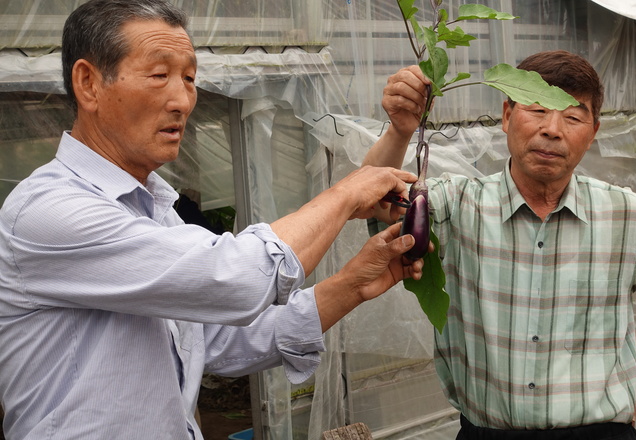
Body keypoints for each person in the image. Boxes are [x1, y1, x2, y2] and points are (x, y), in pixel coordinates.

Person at [0, 1, 427, 439]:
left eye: (189, 78)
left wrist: (354, 284)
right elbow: (238, 278)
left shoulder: (157, 212)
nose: (183, 100)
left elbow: (219, 341)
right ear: (89, 83)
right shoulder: (49, 211)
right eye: (159, 75)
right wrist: (345, 194)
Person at [364, 51, 636, 439]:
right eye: (538, 110)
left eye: (572, 117)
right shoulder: (457, 204)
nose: (552, 129)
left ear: (593, 132)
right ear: (506, 116)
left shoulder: (626, 214)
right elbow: (373, 202)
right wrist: (400, 131)